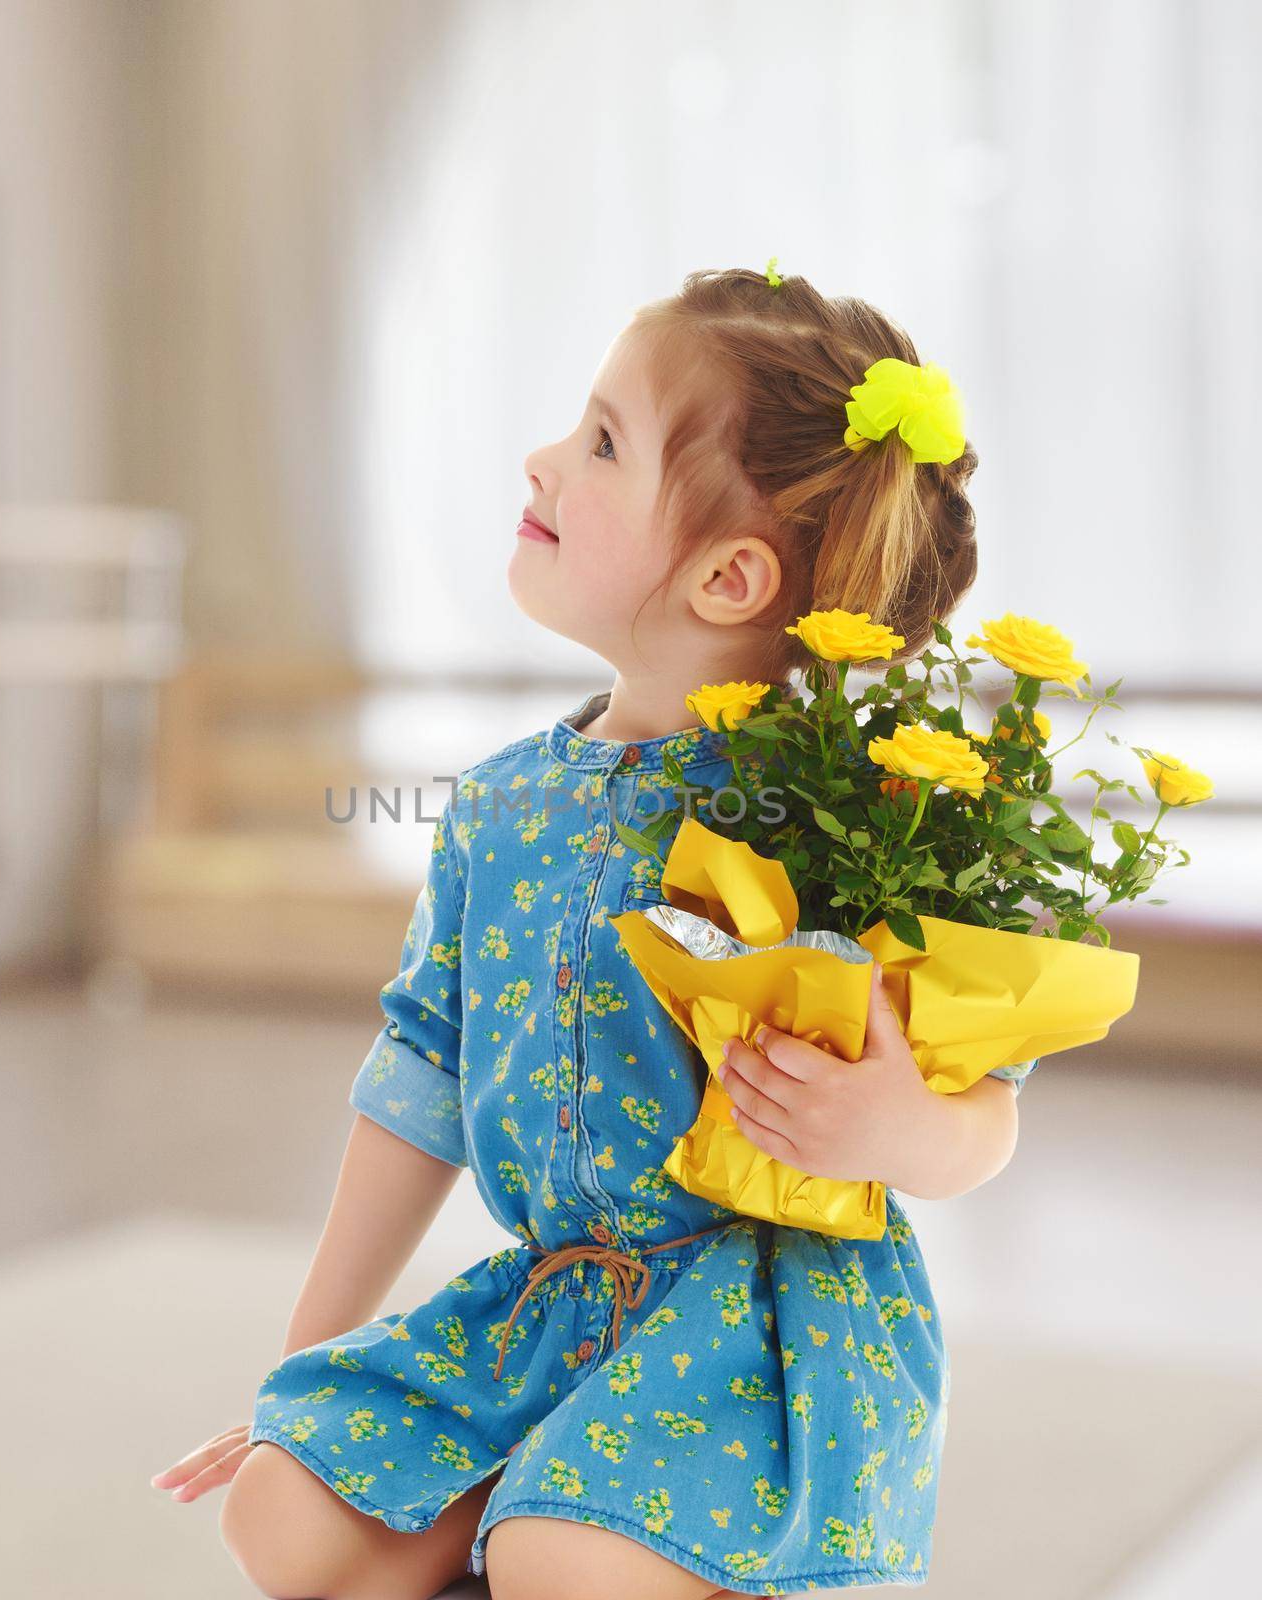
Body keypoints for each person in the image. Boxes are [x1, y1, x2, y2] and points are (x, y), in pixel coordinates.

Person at [151, 266, 1038, 1599]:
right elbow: (422, 1079)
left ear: (729, 576)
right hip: (553, 1308)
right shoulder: (501, 805)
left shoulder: (839, 816)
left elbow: (987, 1109)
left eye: (603, 443)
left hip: (767, 1335)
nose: (545, 459)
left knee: (560, 1558)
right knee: (282, 1513)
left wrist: (904, 1134)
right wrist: (307, 1364)